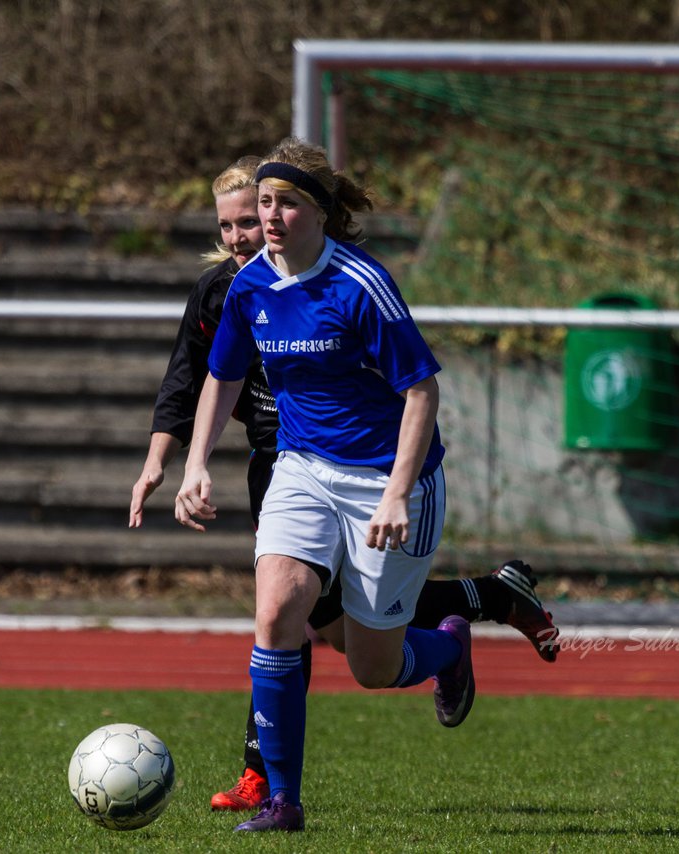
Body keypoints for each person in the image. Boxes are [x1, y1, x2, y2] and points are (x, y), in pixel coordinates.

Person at [173, 139, 558, 833]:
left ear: (320, 211)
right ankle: (282, 802)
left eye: (287, 202)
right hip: (301, 470)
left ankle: (449, 647)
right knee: (276, 616)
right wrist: (196, 461)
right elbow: (222, 375)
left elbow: (421, 393)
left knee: (373, 666)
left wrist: (395, 494)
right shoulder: (250, 285)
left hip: (388, 477)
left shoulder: (360, 283)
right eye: (264, 202)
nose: (271, 216)